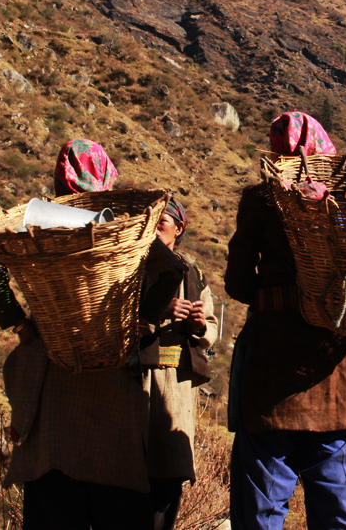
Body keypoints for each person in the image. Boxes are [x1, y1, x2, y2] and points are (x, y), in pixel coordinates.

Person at [0, 139, 155, 529]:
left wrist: (24, 327)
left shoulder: (38, 226)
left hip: (53, 375)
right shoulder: (124, 229)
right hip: (113, 384)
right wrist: (143, 320)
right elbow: (172, 267)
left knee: (53, 500)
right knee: (117, 501)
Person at [225, 129, 346, 527]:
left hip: (274, 373)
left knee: (264, 508)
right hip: (336, 379)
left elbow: (238, 284)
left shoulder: (261, 199)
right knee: (335, 509)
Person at [139, 194, 218, 530]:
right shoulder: (133, 267)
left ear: (179, 228)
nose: (155, 232)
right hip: (138, 378)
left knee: (169, 472)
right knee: (134, 468)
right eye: (150, 226)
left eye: (162, 225)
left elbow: (212, 326)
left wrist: (199, 324)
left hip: (178, 388)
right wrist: (159, 310)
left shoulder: (192, 272)